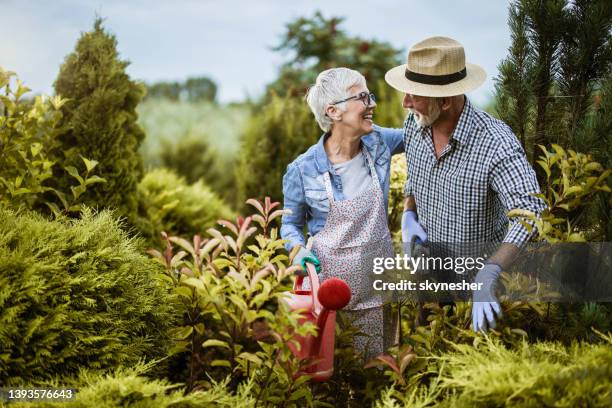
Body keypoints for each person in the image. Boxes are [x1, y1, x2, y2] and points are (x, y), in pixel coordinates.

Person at [384, 36, 546, 332]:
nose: (406, 102)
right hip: (430, 280)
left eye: (413, 95)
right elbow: (417, 176)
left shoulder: (495, 143)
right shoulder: (415, 122)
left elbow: (530, 212)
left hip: (479, 293)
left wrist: (491, 271)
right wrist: (409, 214)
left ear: (445, 101)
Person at [280, 67, 404, 359]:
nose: (371, 104)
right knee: (331, 373)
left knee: (376, 376)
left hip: (378, 292)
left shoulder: (379, 143)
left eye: (369, 95)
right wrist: (296, 249)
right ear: (333, 111)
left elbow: (423, 131)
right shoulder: (303, 169)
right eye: (361, 97)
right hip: (327, 296)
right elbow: (289, 224)